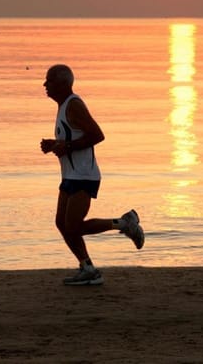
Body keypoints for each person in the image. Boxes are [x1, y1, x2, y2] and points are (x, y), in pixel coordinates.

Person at [40, 64, 144, 285]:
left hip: (84, 175)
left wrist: (65, 146)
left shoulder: (74, 105)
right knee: (62, 223)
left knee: (74, 226)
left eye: (49, 81)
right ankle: (87, 267)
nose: (44, 85)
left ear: (63, 84)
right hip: (70, 175)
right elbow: (72, 139)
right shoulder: (63, 107)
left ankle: (125, 224)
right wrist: (55, 145)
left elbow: (97, 135)